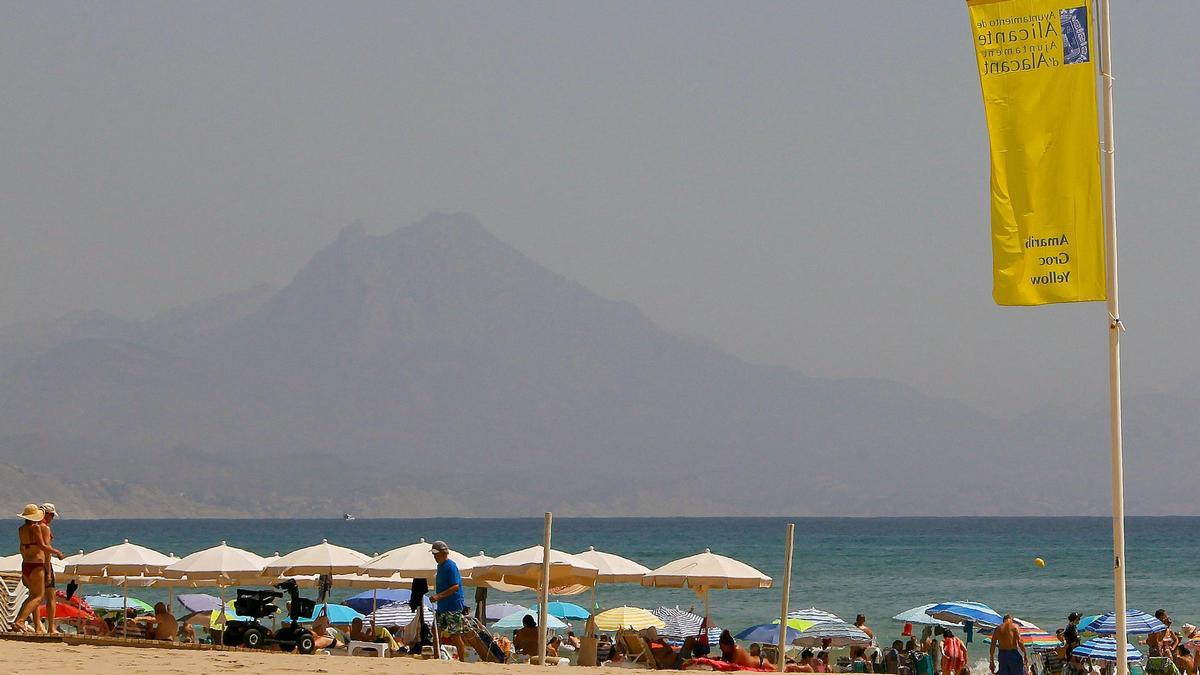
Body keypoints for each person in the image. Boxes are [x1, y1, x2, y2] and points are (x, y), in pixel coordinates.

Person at [13, 504, 63, 633]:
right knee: (39, 596)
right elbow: (42, 546)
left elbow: (22, 548)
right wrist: (57, 552)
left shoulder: (21, 529)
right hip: (37, 565)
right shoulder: (37, 528)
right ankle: (21, 621)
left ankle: (19, 621)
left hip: (26, 564)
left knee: (32, 596)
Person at [428, 540, 468, 661]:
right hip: (442, 606)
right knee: (435, 631)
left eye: (436, 554)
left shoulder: (450, 566)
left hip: (453, 606)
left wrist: (438, 596)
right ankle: (437, 658)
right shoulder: (440, 566)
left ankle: (462, 661)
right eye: (433, 554)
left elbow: (455, 587)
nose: (434, 556)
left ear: (443, 553)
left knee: (455, 635)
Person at [38, 504, 62, 634]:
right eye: (52, 515)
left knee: (35, 596)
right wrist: (48, 571)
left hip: (33, 563)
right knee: (51, 596)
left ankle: (38, 626)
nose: (52, 518)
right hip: (44, 563)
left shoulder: (33, 527)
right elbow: (46, 550)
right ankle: (51, 627)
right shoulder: (45, 528)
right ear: (46, 514)